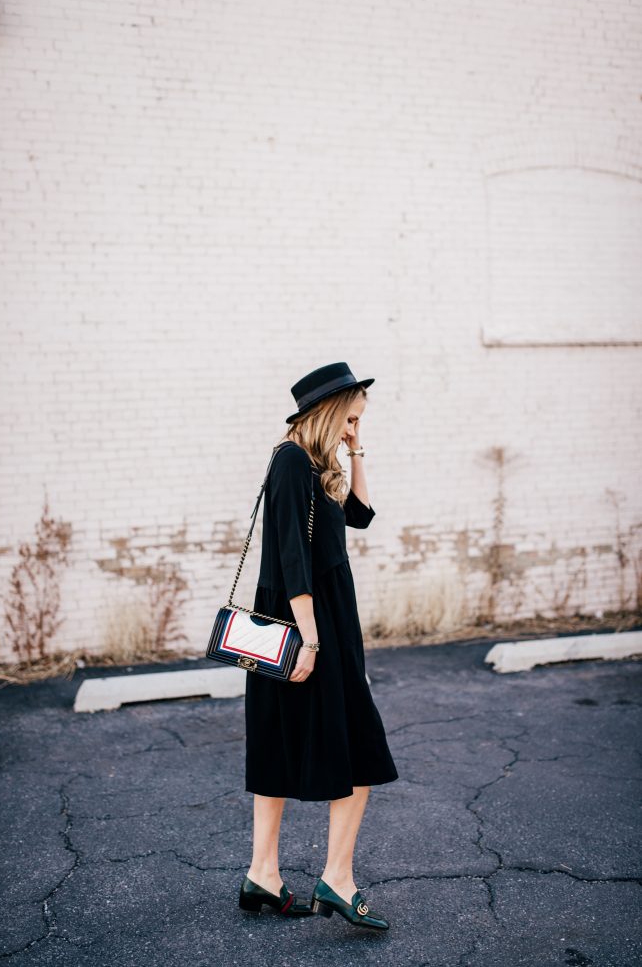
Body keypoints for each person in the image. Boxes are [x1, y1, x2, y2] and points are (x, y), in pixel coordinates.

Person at [238, 362, 399, 931]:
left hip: (321, 616)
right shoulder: (289, 461)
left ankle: (265, 874)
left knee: (282, 736)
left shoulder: (316, 463)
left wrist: (356, 452)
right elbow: (290, 557)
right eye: (351, 418)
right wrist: (310, 639)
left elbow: (360, 516)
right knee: (358, 741)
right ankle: (337, 878)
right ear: (328, 411)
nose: (355, 427)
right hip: (308, 619)